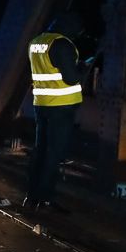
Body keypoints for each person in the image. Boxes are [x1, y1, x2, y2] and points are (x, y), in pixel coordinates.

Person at [23, 12, 99, 211]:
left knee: (40, 150)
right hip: (61, 107)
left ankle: (31, 196)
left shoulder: (37, 42)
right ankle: (45, 199)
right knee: (54, 153)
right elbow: (71, 78)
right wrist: (83, 67)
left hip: (41, 104)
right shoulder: (62, 44)